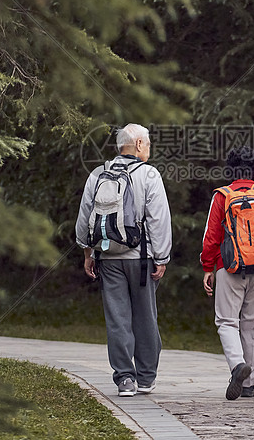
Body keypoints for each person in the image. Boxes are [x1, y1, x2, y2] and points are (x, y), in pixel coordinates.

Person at [75, 123, 172, 397]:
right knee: (145, 317)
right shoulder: (149, 175)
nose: (150, 149)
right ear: (139, 144)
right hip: (141, 259)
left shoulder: (97, 174)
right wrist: (161, 256)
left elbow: (85, 217)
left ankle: (124, 379)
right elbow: (159, 220)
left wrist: (88, 252)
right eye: (149, 143)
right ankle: (146, 378)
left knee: (117, 319)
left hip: (107, 257)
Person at [200, 146, 254, 400]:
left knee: (227, 321)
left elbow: (211, 238)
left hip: (228, 267)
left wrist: (208, 267)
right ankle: (248, 384)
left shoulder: (221, 196)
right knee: (252, 324)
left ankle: (237, 364)